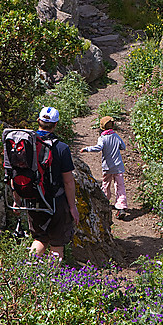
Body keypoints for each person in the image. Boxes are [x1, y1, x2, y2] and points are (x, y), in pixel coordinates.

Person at [28, 106, 79, 260]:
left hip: (33, 199)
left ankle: (26, 274)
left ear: (38, 121)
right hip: (56, 201)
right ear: (56, 125)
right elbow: (68, 182)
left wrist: (17, 201)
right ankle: (52, 280)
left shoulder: (27, 145)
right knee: (57, 243)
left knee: (40, 238)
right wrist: (72, 207)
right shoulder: (62, 148)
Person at [81, 116, 129, 221]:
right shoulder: (116, 136)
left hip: (107, 167)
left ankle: (105, 202)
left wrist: (87, 149)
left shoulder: (102, 138)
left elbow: (98, 148)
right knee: (120, 186)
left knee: (106, 184)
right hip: (118, 166)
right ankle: (121, 207)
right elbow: (123, 147)